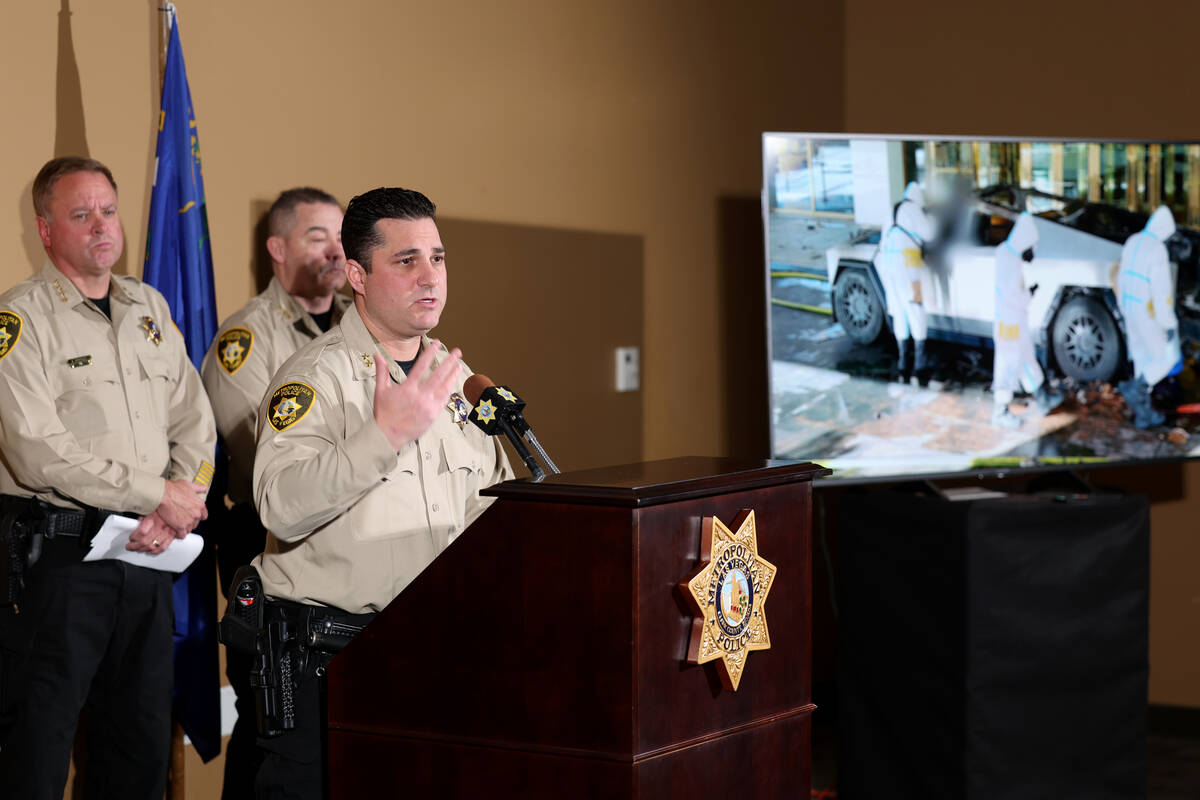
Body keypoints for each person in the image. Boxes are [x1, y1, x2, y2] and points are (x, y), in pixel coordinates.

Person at [247, 186, 513, 798]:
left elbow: (493, 514)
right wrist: (383, 436)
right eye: (406, 261)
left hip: (439, 655)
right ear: (357, 275)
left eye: (438, 258)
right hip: (333, 661)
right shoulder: (314, 378)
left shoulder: (454, 380)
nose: (430, 276)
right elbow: (280, 507)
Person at [0, 156, 215, 798]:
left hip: (147, 554)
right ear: (45, 229)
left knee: (138, 749)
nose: (102, 227)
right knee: (34, 755)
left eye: (109, 211)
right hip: (59, 565)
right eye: (80, 214)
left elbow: (194, 418)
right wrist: (157, 494)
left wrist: (184, 498)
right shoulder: (20, 320)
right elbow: (37, 452)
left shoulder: (146, 306)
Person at [200, 187, 350, 800]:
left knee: (337, 728)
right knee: (273, 725)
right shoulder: (247, 339)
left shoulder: (358, 327)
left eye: (343, 236)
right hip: (264, 542)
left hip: (344, 543)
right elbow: (267, 459)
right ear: (277, 248)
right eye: (319, 236)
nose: (337, 250)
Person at [1116, 205, 1181, 428]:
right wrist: (1169, 323)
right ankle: (1137, 388)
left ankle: (1143, 415)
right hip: (1147, 311)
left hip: (1129, 307)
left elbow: (1121, 276)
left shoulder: (1133, 240)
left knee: (1142, 357)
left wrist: (1122, 306)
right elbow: (1162, 293)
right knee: (1165, 357)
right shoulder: (1157, 249)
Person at [991, 212, 1058, 428]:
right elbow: (1015, 296)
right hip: (1009, 323)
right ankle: (1000, 412)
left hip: (1013, 320)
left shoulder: (1006, 253)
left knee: (1026, 359)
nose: (1031, 253)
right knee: (1007, 366)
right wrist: (1030, 293)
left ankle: (1043, 399)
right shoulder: (1010, 259)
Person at [879, 181, 936, 384]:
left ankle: (903, 364)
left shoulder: (893, 211)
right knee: (915, 309)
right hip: (908, 267)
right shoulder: (914, 210)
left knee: (899, 312)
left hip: (888, 267)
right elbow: (930, 234)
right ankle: (921, 366)